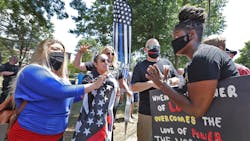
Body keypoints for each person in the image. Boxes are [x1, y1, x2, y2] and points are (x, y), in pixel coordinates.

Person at [146, 6, 239, 118]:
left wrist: (162, 85)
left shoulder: (203, 57)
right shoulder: (194, 63)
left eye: (176, 37)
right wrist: (165, 83)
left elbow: (196, 110)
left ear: (191, 35)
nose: (173, 42)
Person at [7, 39, 106, 141]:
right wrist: (92, 86)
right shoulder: (31, 70)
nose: (58, 53)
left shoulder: (61, 78)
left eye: (61, 51)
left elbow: (66, 97)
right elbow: (59, 91)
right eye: (54, 49)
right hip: (29, 134)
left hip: (57, 135)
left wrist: (83, 95)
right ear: (43, 52)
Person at [131, 38, 179, 141]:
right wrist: (152, 83)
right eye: (151, 47)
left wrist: (167, 83)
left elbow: (178, 79)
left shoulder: (167, 63)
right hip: (146, 113)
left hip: (167, 112)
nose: (154, 49)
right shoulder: (139, 66)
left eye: (157, 47)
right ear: (145, 49)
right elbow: (133, 87)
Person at [72, 53, 118, 141]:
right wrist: (95, 83)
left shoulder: (112, 79)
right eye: (103, 61)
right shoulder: (89, 77)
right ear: (95, 64)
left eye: (108, 61)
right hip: (89, 119)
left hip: (105, 118)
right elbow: (83, 93)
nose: (106, 63)